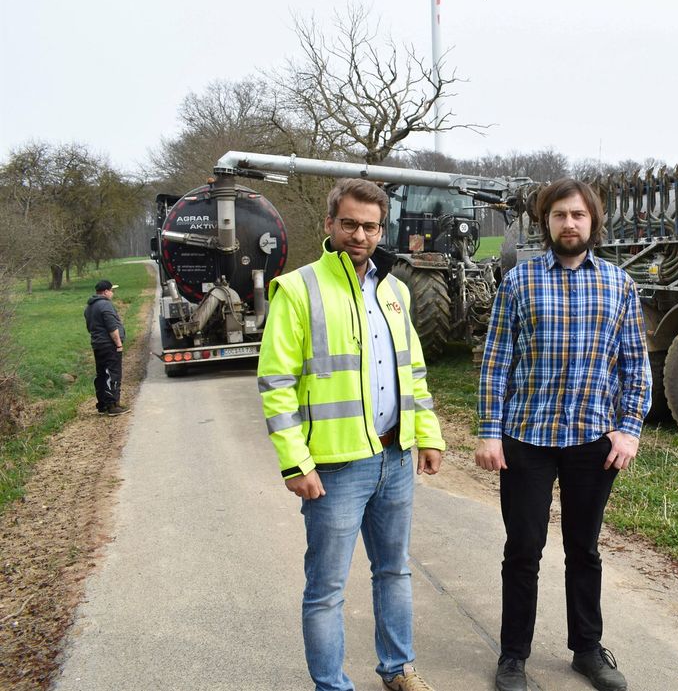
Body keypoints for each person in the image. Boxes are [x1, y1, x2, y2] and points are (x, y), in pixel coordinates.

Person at [257, 178, 445, 691]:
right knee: (326, 590)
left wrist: (427, 435)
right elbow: (276, 385)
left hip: (395, 459)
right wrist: (296, 463)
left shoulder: (396, 291)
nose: (359, 235)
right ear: (329, 224)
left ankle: (398, 670)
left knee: (394, 572)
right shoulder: (297, 289)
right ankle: (331, 686)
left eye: (369, 226)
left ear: (381, 229)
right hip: (334, 468)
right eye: (349, 224)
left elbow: (415, 373)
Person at [475, 178, 652, 691]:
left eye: (577, 215)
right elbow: (496, 362)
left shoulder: (619, 284)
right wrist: (489, 432)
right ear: (545, 222)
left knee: (584, 549)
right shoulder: (519, 282)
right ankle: (513, 657)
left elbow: (634, 366)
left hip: (591, 441)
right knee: (523, 550)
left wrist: (628, 430)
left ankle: (588, 650)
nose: (568, 223)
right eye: (558, 215)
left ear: (593, 222)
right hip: (526, 439)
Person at [84, 279, 129, 416]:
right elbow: (112, 327)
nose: (112, 293)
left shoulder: (89, 307)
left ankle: (102, 404)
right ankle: (113, 405)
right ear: (105, 292)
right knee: (112, 373)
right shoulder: (105, 305)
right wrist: (118, 344)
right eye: (111, 290)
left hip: (97, 345)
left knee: (102, 374)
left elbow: (89, 327)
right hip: (109, 345)